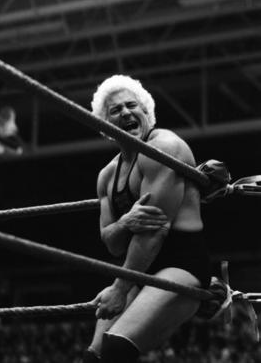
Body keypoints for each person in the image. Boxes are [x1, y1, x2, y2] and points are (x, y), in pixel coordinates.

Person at [84, 75, 212, 363]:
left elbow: (155, 231)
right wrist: (126, 222)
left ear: (146, 112)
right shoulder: (107, 175)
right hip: (138, 269)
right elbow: (112, 242)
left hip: (182, 266)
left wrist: (119, 289)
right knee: (94, 357)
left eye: (132, 106)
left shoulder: (164, 147)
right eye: (116, 111)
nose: (126, 113)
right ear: (105, 123)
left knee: (118, 347)